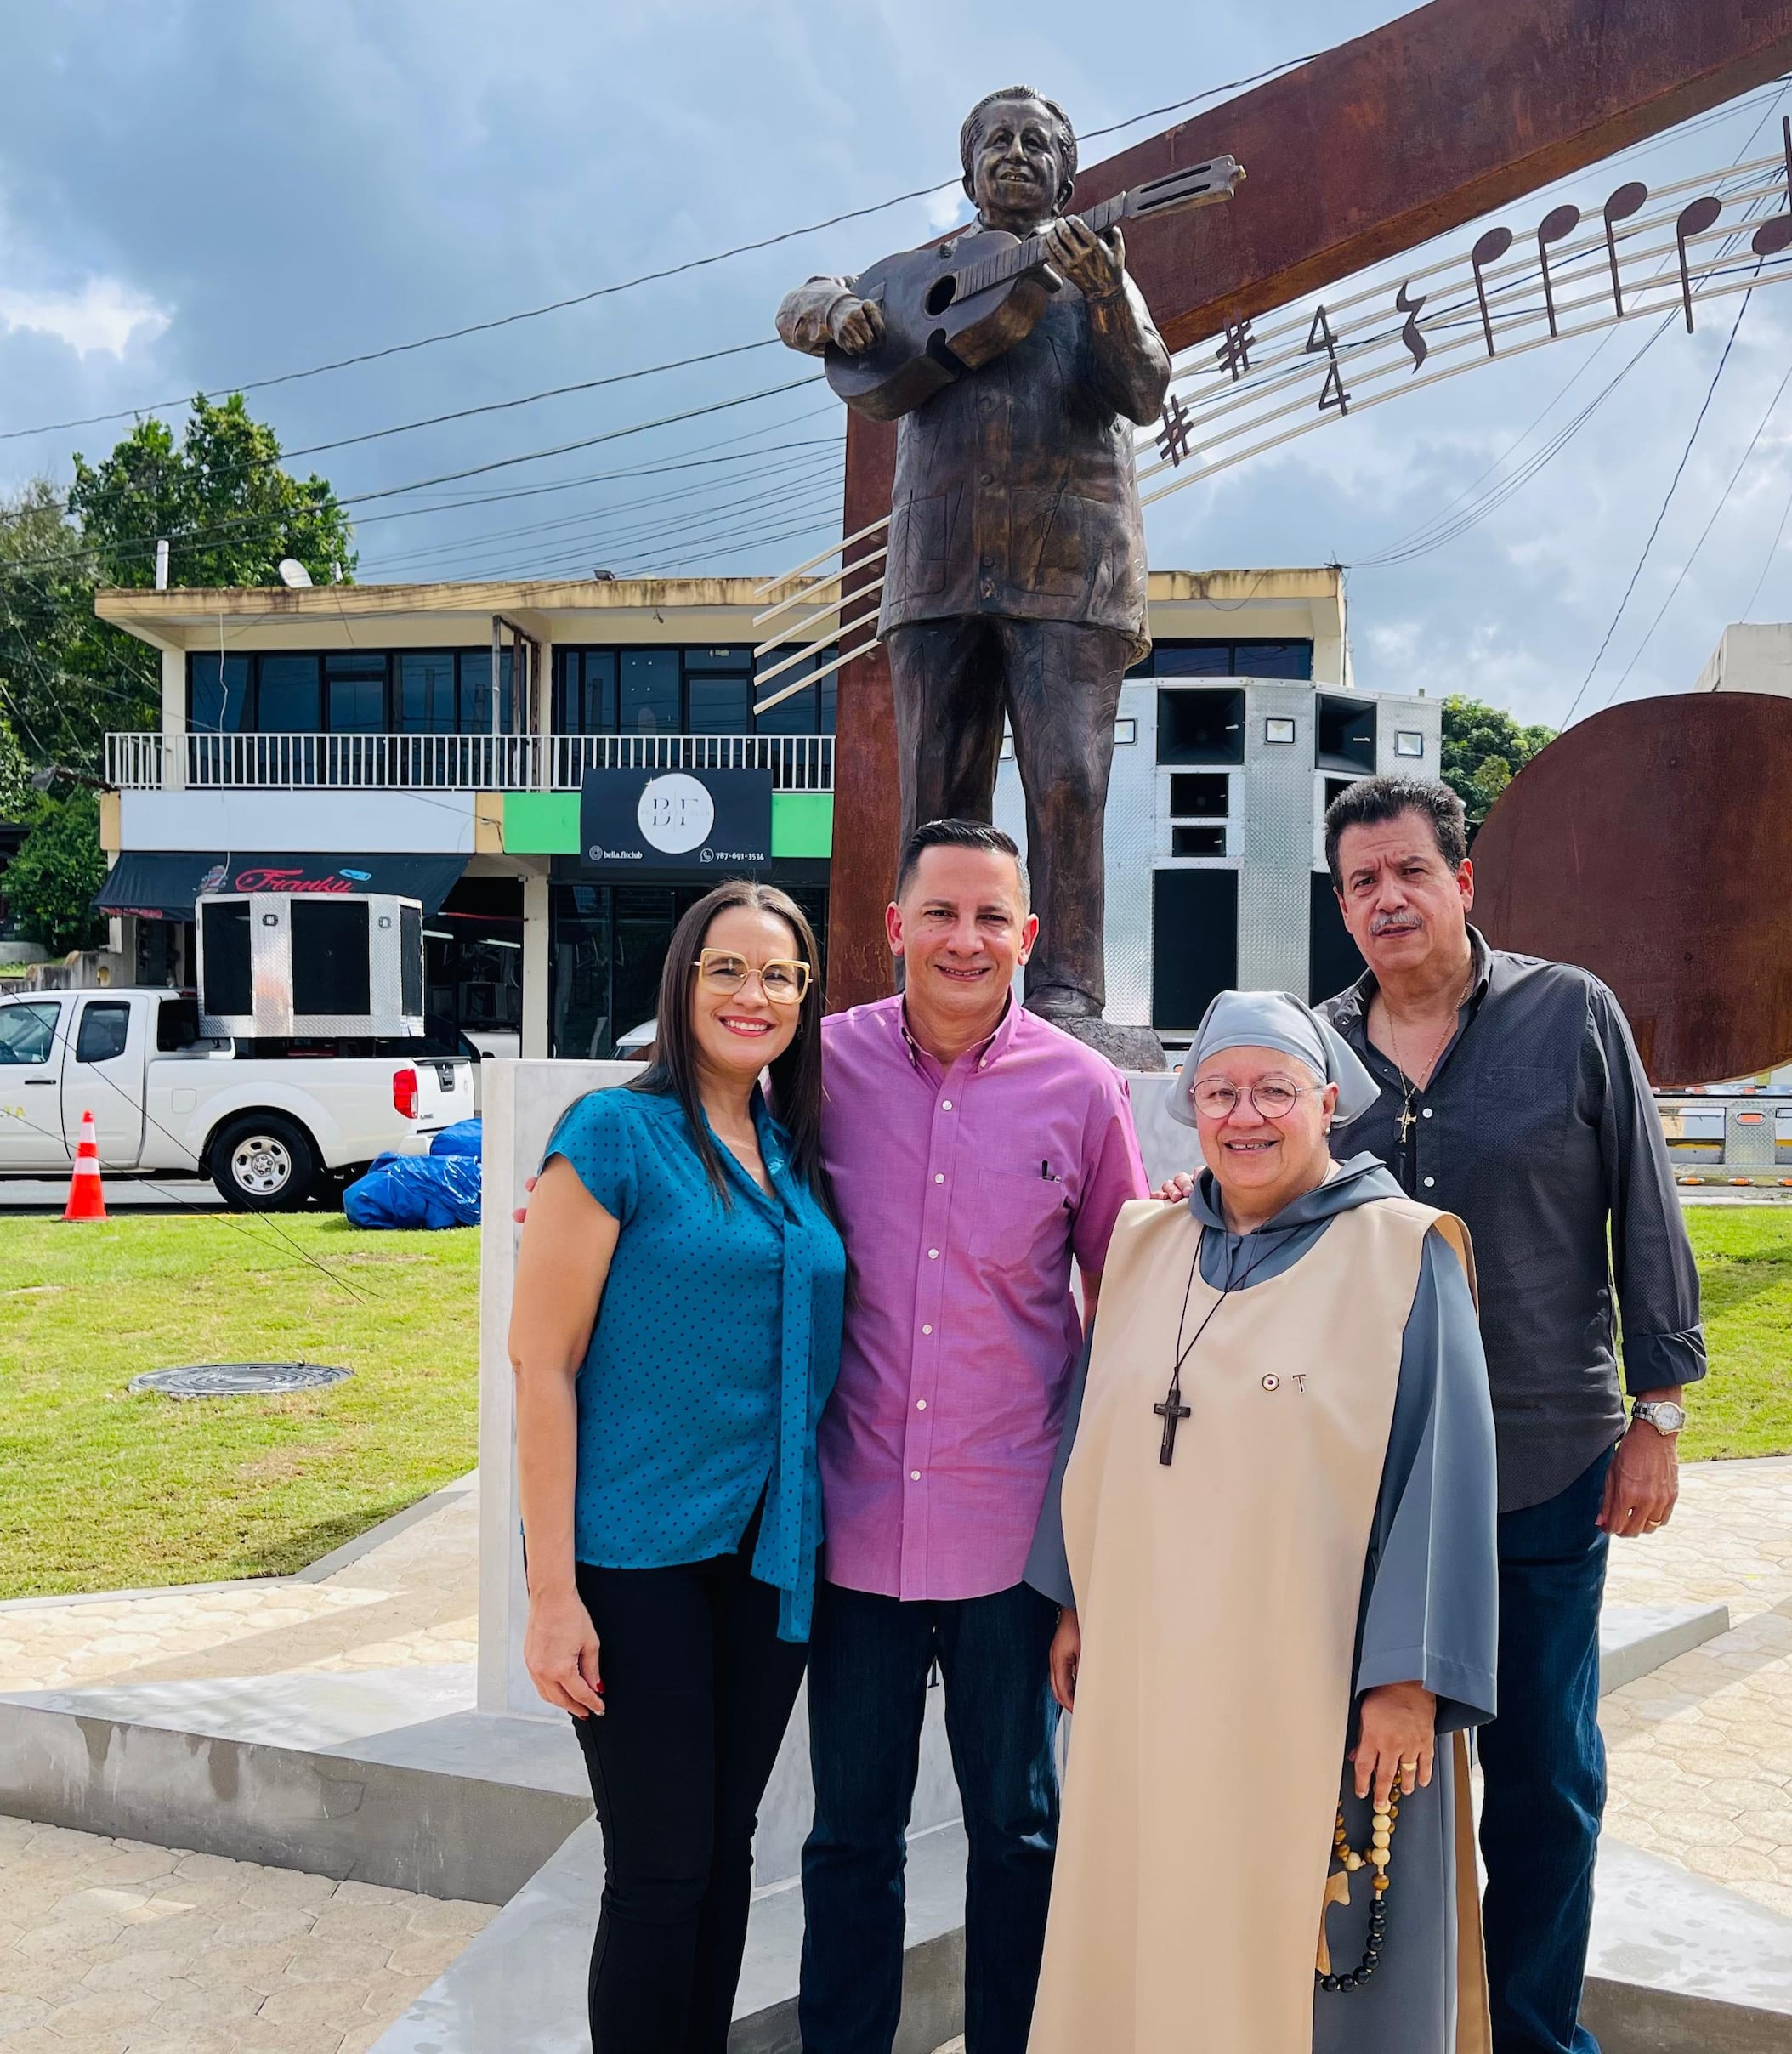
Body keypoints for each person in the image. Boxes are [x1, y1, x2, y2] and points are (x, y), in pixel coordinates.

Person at [1024, 990, 1498, 2054]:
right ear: (1191, 1110)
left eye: (1275, 1090)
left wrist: (1407, 1681)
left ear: (1328, 1101)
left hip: (1313, 1685)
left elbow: (1444, 1469)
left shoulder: (1401, 1252)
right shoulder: (1144, 1242)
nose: (1247, 1115)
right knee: (1145, 1910)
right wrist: (1072, 1603)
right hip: (1147, 1676)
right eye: (1221, 1092)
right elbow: (1092, 1427)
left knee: (1301, 1948)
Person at [1318, 775, 1705, 2054]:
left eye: (1409, 872)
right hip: (1368, 1487)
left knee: (1546, 1778)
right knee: (1366, 1781)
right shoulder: (1316, 1051)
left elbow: (1644, 1210)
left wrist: (1658, 1414)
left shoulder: (1570, 1014)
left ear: (1464, 882)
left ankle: (1536, 2036)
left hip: (1546, 1463)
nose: (1387, 898)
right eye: (1362, 881)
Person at [802, 819, 1149, 2054]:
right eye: (940, 914)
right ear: (895, 928)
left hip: (1014, 1546)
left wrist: (1099, 1560)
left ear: (1028, 937)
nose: (965, 939)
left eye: (991, 917)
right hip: (849, 1542)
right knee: (849, 1839)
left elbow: (1135, 1310)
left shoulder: (1083, 1090)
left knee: (1020, 1834)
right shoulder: (816, 1066)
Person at [508, 880, 846, 2054]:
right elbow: (539, 1366)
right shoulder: (613, 1134)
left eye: (780, 976)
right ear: (684, 983)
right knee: (658, 1867)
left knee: (725, 1851)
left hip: (766, 1555)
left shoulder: (796, 1153)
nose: (754, 996)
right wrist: (553, 1596)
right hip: (630, 1552)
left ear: (806, 998)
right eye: (728, 970)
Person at [778, 86, 1171, 1038]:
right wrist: (834, 311)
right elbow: (798, 306)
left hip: (1072, 565)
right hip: (939, 564)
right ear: (966, 172)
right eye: (995, 139)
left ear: (1068, 175)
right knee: (937, 791)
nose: (1015, 153)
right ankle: (929, 991)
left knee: (1068, 784)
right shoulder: (913, 280)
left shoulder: (1094, 272)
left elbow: (1147, 388)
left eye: (1038, 142)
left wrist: (1110, 291)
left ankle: (1067, 992)